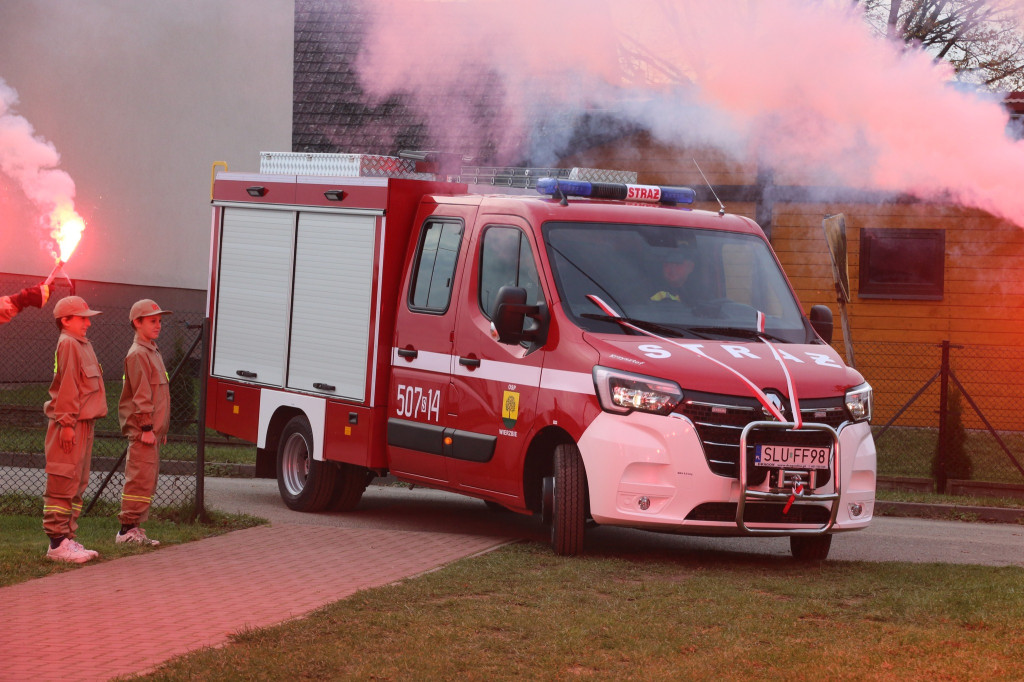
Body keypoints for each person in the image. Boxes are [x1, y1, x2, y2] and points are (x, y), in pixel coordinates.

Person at [43, 295, 106, 563]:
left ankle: (67, 538)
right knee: (63, 480)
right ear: (65, 321)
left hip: (83, 423)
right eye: (82, 318)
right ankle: (57, 543)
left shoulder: (82, 344)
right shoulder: (68, 343)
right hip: (69, 423)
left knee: (77, 482)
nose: (88, 323)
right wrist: (66, 424)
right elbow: (68, 385)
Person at [115, 299, 172, 546]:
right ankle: (126, 530)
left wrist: (161, 429)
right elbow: (141, 395)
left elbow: (158, 395)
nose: (158, 325)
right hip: (143, 433)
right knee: (138, 478)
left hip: (153, 432)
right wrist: (147, 427)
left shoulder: (152, 350)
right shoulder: (138, 354)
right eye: (152, 321)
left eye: (159, 321)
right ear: (137, 323)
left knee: (147, 480)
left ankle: (135, 528)